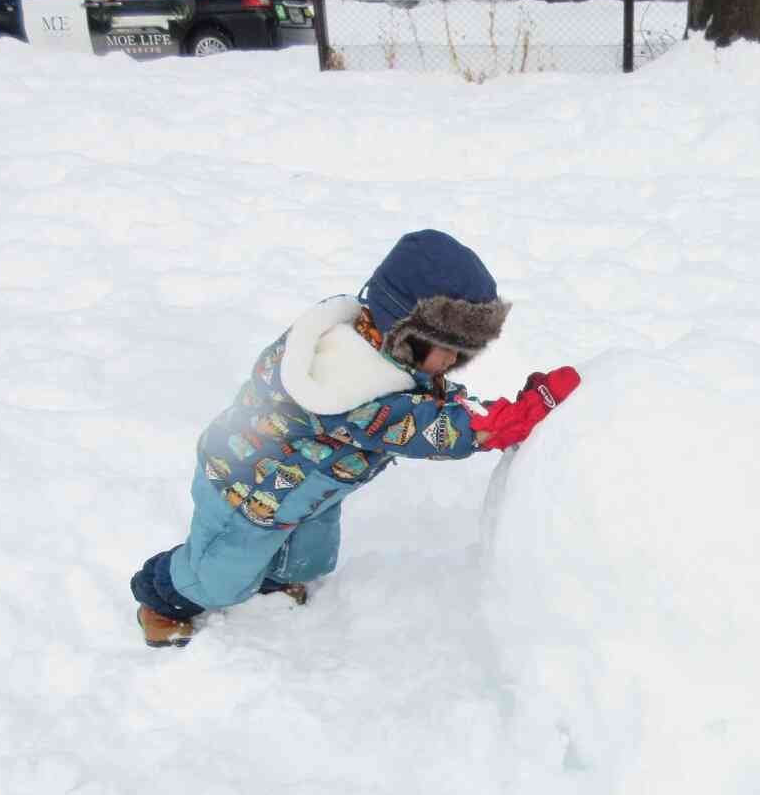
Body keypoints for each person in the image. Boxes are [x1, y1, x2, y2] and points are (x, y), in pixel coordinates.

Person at [129, 229, 581, 647]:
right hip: (244, 491)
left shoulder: (377, 347)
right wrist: (518, 415)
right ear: (405, 331)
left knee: (312, 559)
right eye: (449, 348)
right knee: (220, 576)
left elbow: (423, 401)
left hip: (308, 486)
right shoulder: (345, 383)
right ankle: (164, 595)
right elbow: (438, 429)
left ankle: (274, 579)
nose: (455, 361)